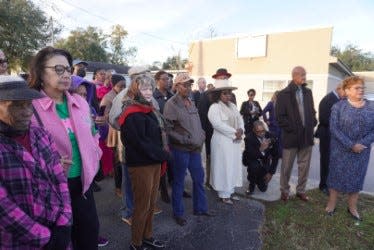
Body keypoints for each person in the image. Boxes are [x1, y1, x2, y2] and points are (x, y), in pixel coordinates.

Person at [29, 47, 104, 249]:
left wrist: (95, 154)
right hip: (51, 189)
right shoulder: (30, 107)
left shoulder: (80, 102)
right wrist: (49, 164)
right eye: (58, 69)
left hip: (83, 184)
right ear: (41, 73)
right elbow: (22, 151)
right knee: (60, 241)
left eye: (68, 69)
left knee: (88, 237)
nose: (66, 75)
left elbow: (93, 132)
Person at [0, 75, 72, 250]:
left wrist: (65, 220)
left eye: (28, 104)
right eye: (16, 105)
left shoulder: (41, 134)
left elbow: (59, 179)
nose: (27, 112)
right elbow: (3, 207)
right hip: (19, 240)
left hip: (57, 227)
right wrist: (43, 238)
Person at [118, 73, 168, 250]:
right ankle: (136, 243)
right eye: (144, 88)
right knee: (142, 206)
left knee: (151, 204)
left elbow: (154, 137)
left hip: (153, 162)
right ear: (135, 89)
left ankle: (147, 236)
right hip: (141, 165)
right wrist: (163, 155)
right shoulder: (131, 112)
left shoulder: (148, 108)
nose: (148, 92)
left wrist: (161, 154)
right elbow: (138, 143)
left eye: (150, 88)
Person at [164, 73, 211, 226]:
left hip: (195, 149)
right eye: (185, 85)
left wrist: (202, 134)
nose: (189, 88)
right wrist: (184, 140)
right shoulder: (171, 104)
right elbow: (168, 129)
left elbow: (196, 122)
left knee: (198, 179)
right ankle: (178, 213)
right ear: (177, 86)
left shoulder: (191, 101)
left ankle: (200, 208)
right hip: (180, 150)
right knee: (178, 182)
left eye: (190, 85)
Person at [325, 76, 374, 220]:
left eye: (362, 87)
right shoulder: (338, 106)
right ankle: (331, 204)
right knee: (336, 177)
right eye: (357, 88)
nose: (361, 90)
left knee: (356, 179)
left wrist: (361, 144)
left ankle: (352, 208)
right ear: (347, 90)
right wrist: (351, 145)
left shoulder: (371, 106)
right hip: (340, 150)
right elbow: (334, 128)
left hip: (361, 152)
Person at [275, 66, 317, 202]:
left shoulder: (308, 92)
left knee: (304, 166)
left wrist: (313, 122)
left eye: (305, 74)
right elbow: (280, 117)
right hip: (291, 136)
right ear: (294, 76)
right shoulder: (283, 94)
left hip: (307, 136)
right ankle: (284, 190)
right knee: (286, 166)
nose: (305, 77)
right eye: (302, 75)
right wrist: (292, 129)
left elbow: (312, 110)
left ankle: (301, 190)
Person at [207, 79, 244, 204]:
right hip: (222, 142)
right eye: (225, 93)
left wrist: (241, 130)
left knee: (233, 165)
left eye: (229, 93)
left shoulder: (233, 106)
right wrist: (235, 133)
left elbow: (240, 120)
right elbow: (217, 124)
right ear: (218, 94)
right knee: (223, 166)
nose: (228, 95)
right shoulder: (214, 107)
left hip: (234, 142)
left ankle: (230, 190)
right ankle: (223, 194)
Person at [314, 83, 345, 195]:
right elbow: (324, 119)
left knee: (335, 161)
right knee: (326, 161)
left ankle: (332, 184)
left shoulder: (341, 99)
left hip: (336, 136)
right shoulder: (327, 99)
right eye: (345, 91)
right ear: (339, 89)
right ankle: (323, 185)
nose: (346, 94)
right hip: (327, 134)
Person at [101, 74, 126, 195]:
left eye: (124, 86)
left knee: (125, 160)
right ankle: (118, 188)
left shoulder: (126, 95)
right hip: (115, 132)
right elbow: (104, 117)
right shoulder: (108, 97)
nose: (123, 89)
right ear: (113, 85)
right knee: (118, 161)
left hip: (126, 130)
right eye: (120, 86)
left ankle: (125, 185)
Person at [242, 121, 280, 195]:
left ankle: (259, 178)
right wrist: (261, 149)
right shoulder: (249, 138)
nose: (261, 133)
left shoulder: (271, 136)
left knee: (263, 189)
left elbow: (276, 156)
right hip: (253, 161)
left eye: (263, 131)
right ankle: (251, 184)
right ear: (254, 130)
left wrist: (271, 173)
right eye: (258, 132)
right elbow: (250, 156)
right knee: (254, 167)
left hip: (265, 163)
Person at [262, 91, 281, 156]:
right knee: (272, 140)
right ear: (275, 96)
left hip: (280, 125)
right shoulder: (271, 103)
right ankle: (270, 153)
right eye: (277, 95)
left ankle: (278, 154)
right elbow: (263, 111)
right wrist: (266, 121)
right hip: (273, 125)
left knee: (279, 140)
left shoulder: (282, 104)